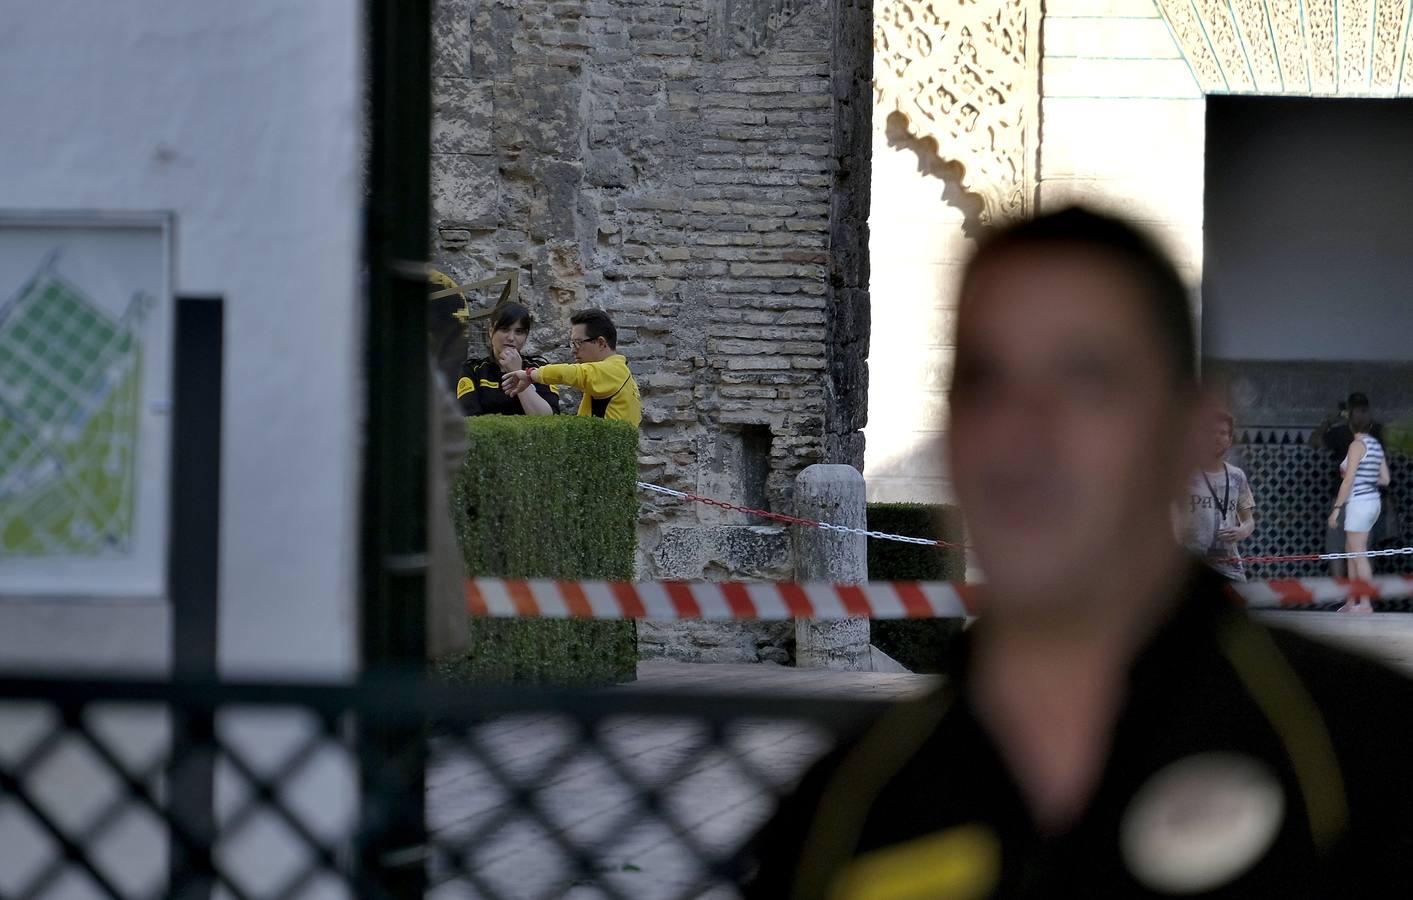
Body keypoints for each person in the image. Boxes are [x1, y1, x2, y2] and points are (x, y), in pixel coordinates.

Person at [739, 208, 1413, 898]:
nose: (1021, 437)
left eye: (1086, 379)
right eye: (985, 382)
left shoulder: (1362, 753)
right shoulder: (848, 808)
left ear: (1183, 429)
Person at [502, 308, 641, 426]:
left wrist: (530, 375)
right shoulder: (618, 372)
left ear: (601, 343)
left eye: (578, 343)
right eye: (572, 343)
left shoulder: (612, 371)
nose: (573, 350)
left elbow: (574, 373)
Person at [1328, 404, 1391, 614]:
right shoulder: (1375, 445)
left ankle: (1365, 603)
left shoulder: (1356, 445)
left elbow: (1348, 480)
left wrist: (1337, 508)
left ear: (1349, 426)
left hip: (1359, 502)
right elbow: (1385, 479)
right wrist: (1366, 477)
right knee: (1351, 550)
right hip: (1372, 502)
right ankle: (1351, 600)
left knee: (1358, 552)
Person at [1312, 394, 1385, 575]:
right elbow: (1314, 442)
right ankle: (1343, 594)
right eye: (1358, 411)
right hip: (1346, 497)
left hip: (1362, 499)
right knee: (1338, 546)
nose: (1361, 415)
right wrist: (1328, 422)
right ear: (1350, 413)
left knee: (1361, 547)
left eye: (1364, 411)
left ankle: (1359, 594)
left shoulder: (1374, 432)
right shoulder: (1342, 433)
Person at [1180, 410, 1256, 581]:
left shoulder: (1237, 476)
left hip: (1230, 567)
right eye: (1211, 433)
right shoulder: (1186, 475)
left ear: (1229, 440)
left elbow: (1249, 520)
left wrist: (1242, 531)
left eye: (1222, 433)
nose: (1217, 437)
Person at [455, 302, 561, 417]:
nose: (511, 338)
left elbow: (550, 419)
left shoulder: (539, 368)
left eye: (519, 332)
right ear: (491, 331)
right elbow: (470, 420)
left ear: (526, 336)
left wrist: (517, 373)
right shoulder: (473, 370)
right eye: (504, 329)